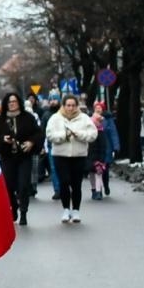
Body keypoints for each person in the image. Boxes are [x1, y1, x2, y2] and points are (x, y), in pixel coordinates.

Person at [0, 92, 42, 226]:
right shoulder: (0, 121)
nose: (12, 104)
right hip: (7, 158)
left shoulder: (28, 118)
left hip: (24, 157)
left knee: (23, 185)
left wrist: (31, 142)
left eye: (14, 101)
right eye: (9, 102)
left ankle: (24, 212)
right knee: (8, 185)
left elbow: (38, 133)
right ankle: (13, 207)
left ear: (19, 102)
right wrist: (2, 139)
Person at [46, 94, 97, 224]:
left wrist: (79, 134)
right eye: (68, 105)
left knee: (76, 184)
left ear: (77, 106)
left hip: (78, 155)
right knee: (64, 182)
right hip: (60, 155)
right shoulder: (55, 118)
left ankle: (76, 210)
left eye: (73, 105)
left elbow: (92, 134)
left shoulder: (84, 118)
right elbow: (50, 135)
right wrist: (64, 135)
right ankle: (65, 209)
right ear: (63, 106)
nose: (71, 108)